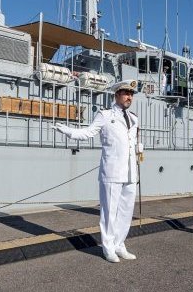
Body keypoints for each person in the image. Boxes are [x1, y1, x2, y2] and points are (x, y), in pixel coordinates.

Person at [54, 80, 143, 263]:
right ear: (116, 94)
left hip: (130, 172)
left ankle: (119, 244)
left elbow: (132, 143)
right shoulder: (105, 115)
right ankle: (108, 247)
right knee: (109, 212)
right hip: (112, 171)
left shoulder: (134, 118)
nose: (129, 97)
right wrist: (67, 131)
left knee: (126, 211)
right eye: (126, 93)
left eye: (131, 94)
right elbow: (87, 133)